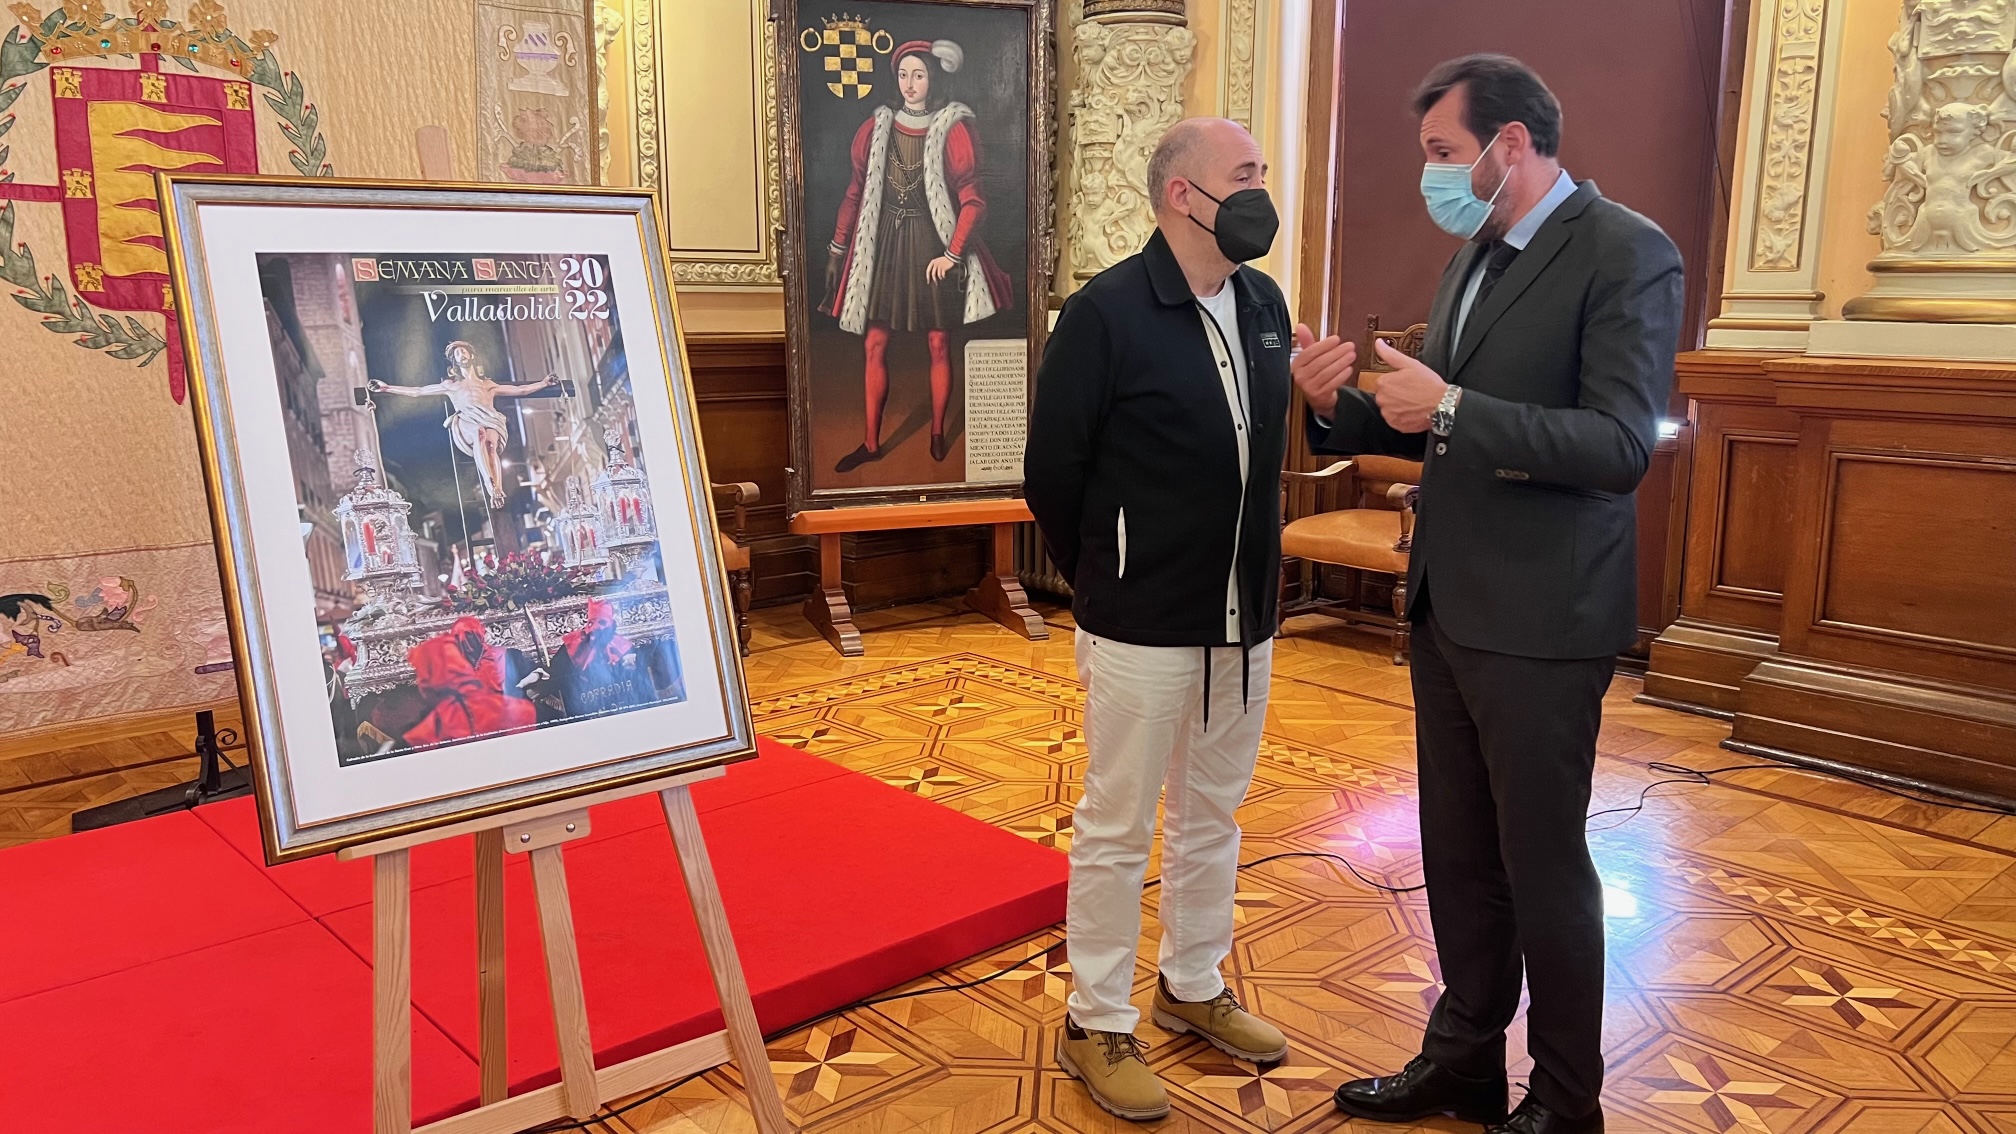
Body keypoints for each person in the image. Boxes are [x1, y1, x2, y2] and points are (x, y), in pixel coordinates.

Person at [1293, 56, 1682, 1134]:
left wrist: (1454, 406)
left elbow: (1618, 446)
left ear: (1512, 144)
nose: (1431, 175)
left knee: (1542, 865)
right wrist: (1337, 407)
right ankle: (1464, 1059)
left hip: (1545, 617)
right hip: (1451, 603)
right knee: (1459, 855)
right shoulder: (1477, 253)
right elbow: (1433, 424)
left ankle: (1565, 1099)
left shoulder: (1627, 250)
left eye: (1443, 152)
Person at [1025, 117, 1294, 1122]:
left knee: (1213, 814)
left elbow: (1259, 447)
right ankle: (1096, 1019)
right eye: (1244, 174)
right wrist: (1109, 581)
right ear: (1184, 194)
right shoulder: (1105, 313)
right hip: (1141, 623)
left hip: (1245, 620)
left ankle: (1192, 983)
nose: (1261, 190)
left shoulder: (1263, 303)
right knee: (1117, 827)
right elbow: (1053, 474)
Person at [821, 37, 1015, 473]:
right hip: (885, 246)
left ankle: (937, 432)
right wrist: (837, 246)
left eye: (919, 75)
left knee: (939, 342)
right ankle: (871, 442)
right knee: (874, 342)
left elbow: (974, 202)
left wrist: (952, 254)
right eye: (903, 75)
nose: (910, 84)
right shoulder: (876, 129)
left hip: (932, 244)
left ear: (933, 79)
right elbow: (855, 192)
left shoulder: (953, 129)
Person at [370, 340, 558, 510]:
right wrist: (387, 388)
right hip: (467, 420)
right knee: (479, 434)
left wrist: (543, 383)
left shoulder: (488, 385)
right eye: (457, 354)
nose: (461, 355)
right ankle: (490, 485)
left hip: (490, 418)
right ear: (455, 362)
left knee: (490, 446)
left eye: (463, 351)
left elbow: (521, 390)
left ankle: (498, 489)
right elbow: (418, 391)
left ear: (471, 356)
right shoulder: (452, 385)